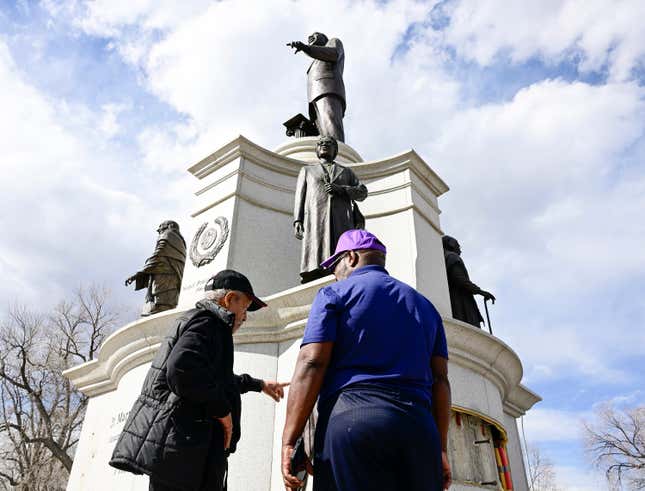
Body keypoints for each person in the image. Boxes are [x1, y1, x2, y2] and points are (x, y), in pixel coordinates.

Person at [281, 230, 452, 491]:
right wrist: (440, 448)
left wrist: (289, 440)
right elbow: (440, 380)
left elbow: (312, 362)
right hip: (418, 428)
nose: (334, 274)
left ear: (350, 257)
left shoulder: (333, 294)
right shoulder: (426, 306)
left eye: (334, 266)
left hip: (352, 420)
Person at [110, 270, 289, 490]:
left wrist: (258, 384)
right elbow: (182, 370)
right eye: (245, 306)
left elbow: (212, 379)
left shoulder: (199, 321)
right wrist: (223, 411)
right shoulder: (209, 322)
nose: (245, 316)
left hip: (183, 453)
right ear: (230, 299)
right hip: (186, 455)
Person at [293, 136, 367, 283]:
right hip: (316, 218)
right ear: (317, 150)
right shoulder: (307, 170)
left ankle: (341, 268)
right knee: (316, 249)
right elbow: (300, 196)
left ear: (335, 150)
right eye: (321, 143)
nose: (324, 145)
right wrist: (298, 219)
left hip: (341, 219)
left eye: (328, 144)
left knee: (340, 249)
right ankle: (315, 272)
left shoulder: (346, 172)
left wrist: (341, 189)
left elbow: (362, 192)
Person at [287, 32, 346, 142]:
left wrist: (306, 48)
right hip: (315, 96)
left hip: (327, 90)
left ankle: (339, 153)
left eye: (315, 35)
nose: (309, 37)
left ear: (324, 38)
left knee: (331, 126)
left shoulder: (333, 42)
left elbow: (333, 54)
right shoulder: (315, 60)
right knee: (323, 133)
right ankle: (327, 154)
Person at [125, 220, 186, 316]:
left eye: (161, 226)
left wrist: (139, 273)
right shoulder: (181, 243)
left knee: (162, 306)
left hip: (164, 276)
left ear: (170, 226)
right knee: (168, 304)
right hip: (173, 277)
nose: (159, 230)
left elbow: (158, 254)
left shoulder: (167, 234)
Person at [442, 235, 495, 328]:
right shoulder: (452, 257)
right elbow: (460, 279)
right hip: (461, 303)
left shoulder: (444, 258)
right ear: (451, 244)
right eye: (458, 245)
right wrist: (480, 292)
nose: (460, 249)